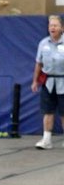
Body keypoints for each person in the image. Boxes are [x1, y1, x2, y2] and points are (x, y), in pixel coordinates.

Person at [31, 14, 64, 149]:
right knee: (47, 111)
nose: (52, 28)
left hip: (63, 82)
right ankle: (46, 140)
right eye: (50, 25)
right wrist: (35, 81)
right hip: (48, 82)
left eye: (55, 25)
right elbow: (38, 64)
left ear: (62, 28)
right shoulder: (43, 43)